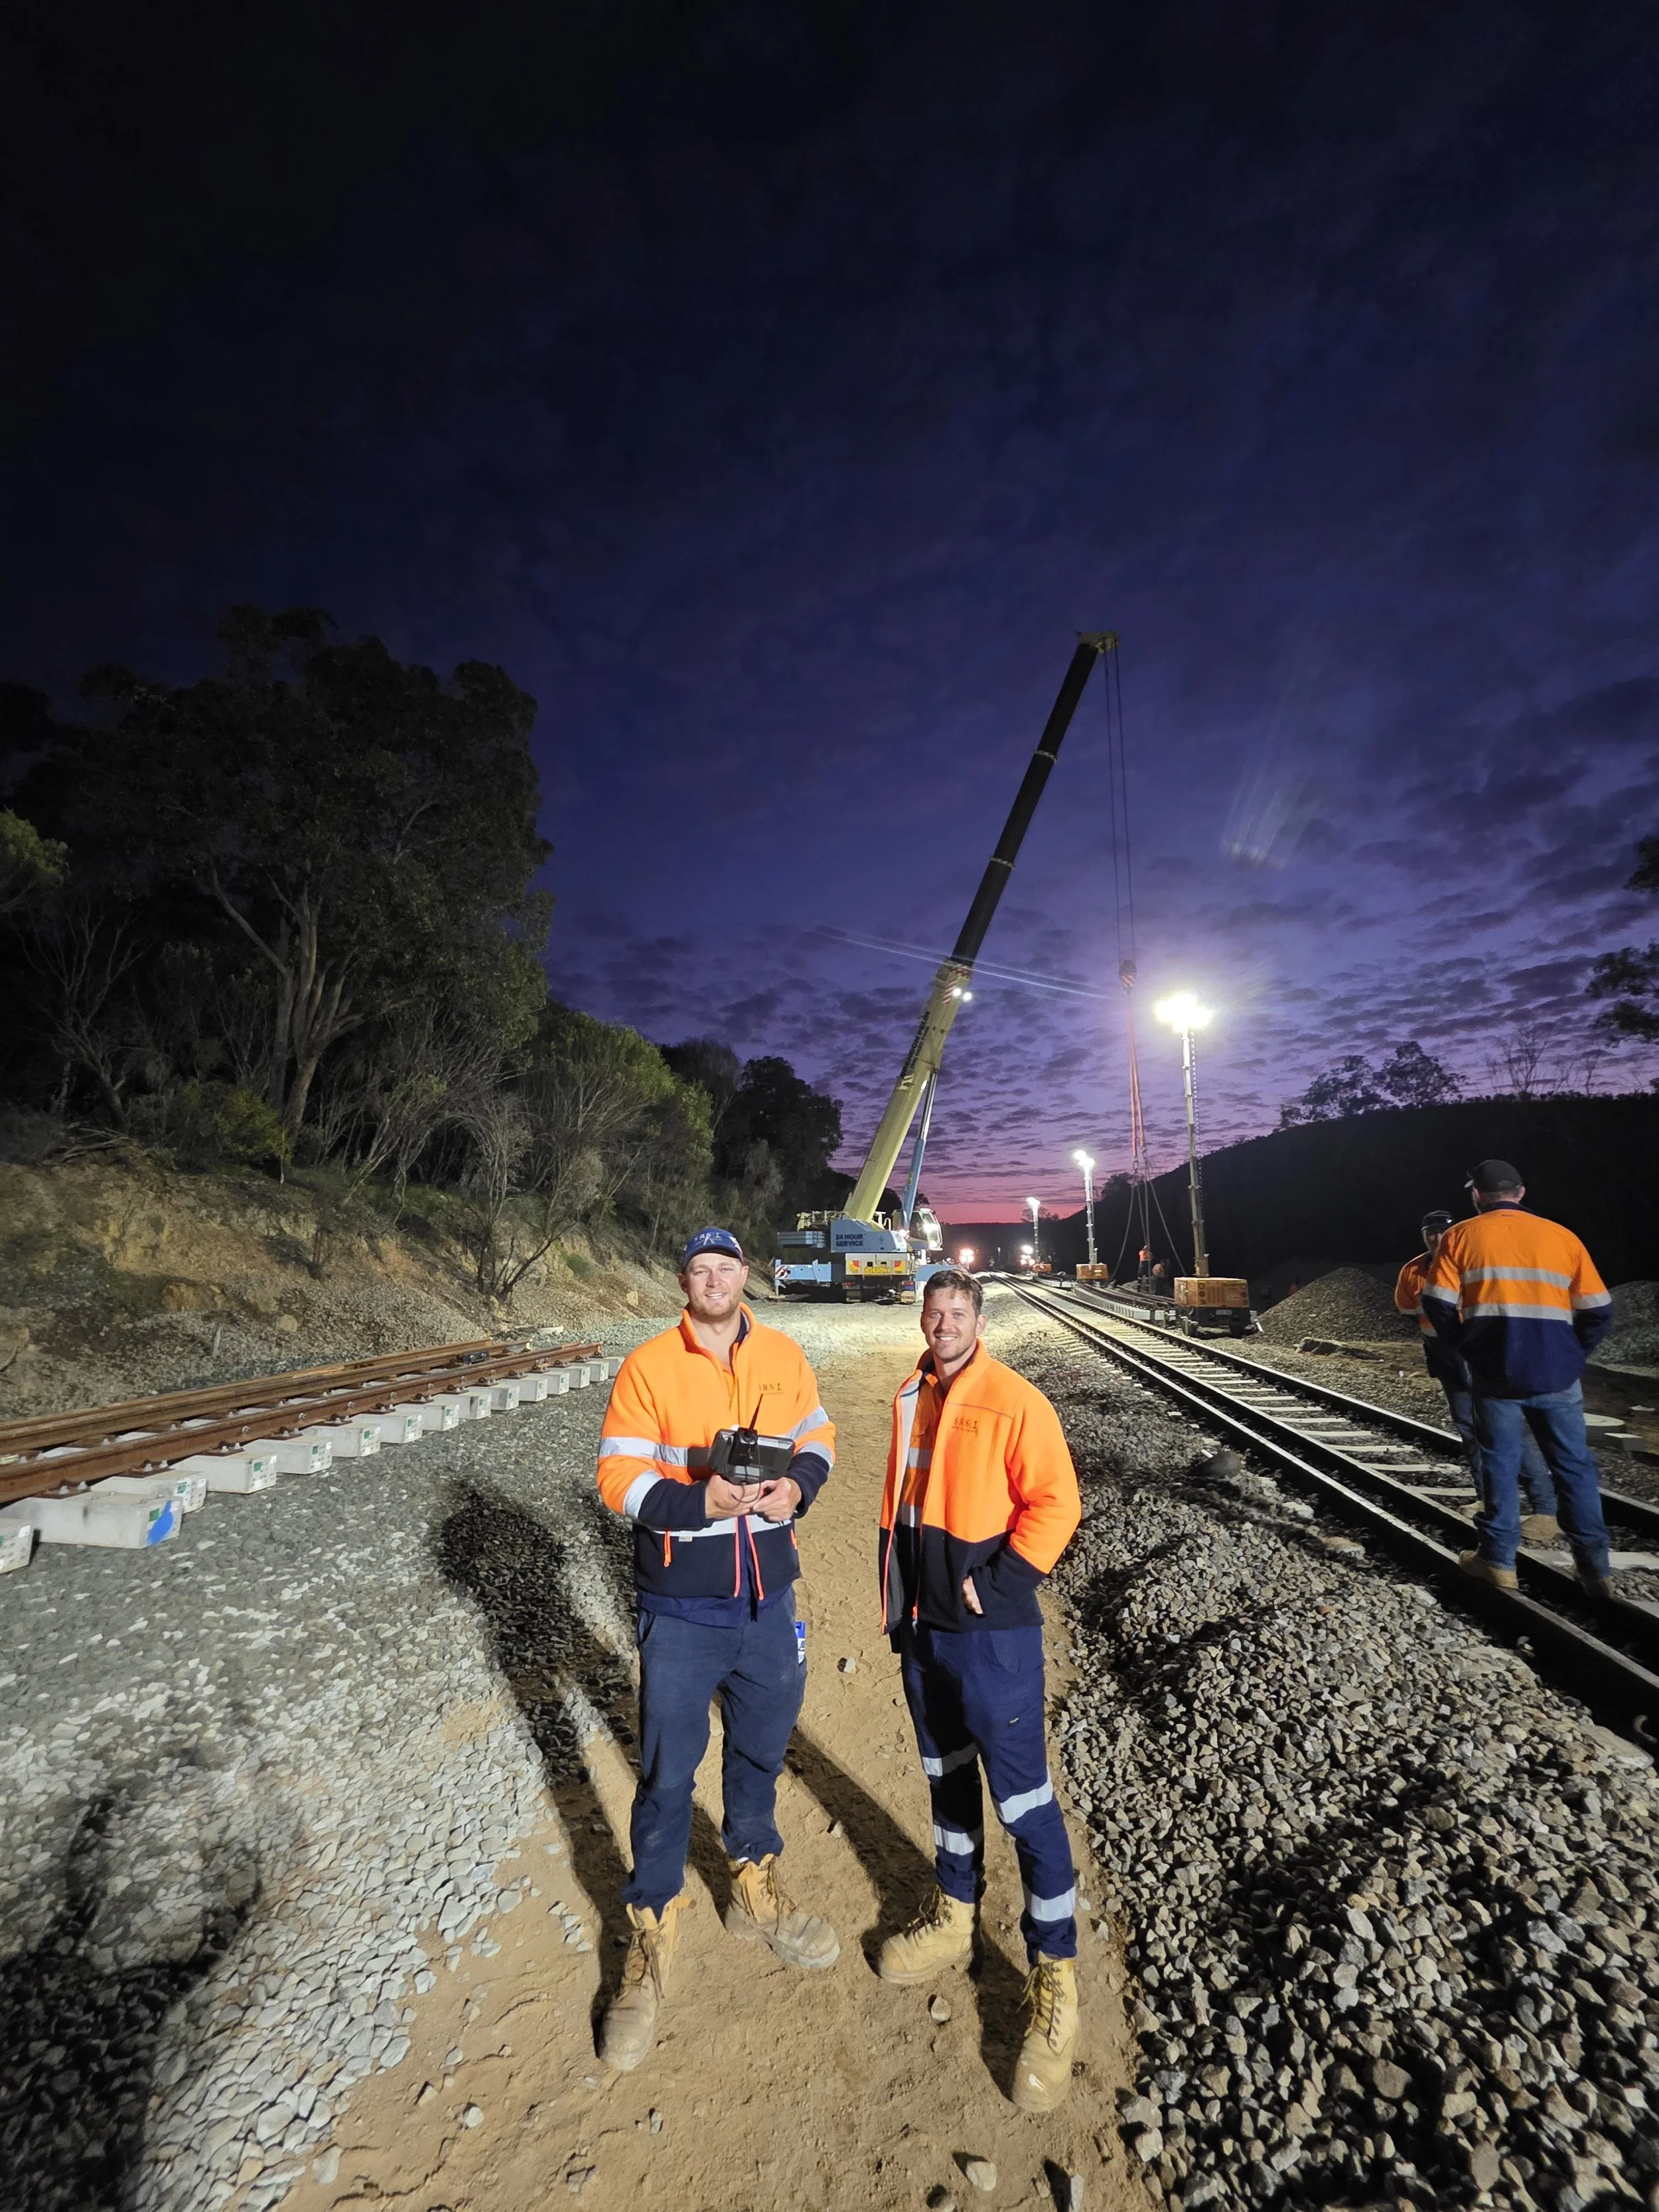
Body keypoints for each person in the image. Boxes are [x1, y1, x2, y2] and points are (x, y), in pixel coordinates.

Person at [594, 1226, 839, 2071]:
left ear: (744, 1277)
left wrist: (793, 1488)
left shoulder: (782, 1354)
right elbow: (617, 1478)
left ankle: (752, 1881)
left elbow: (819, 1438)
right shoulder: (649, 1367)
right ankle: (651, 1930)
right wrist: (697, 1502)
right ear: (685, 1282)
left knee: (761, 1751)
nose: (712, 1281)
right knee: (665, 1774)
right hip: (683, 1605)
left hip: (768, 1597)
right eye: (698, 1270)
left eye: (724, 1268)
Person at [875, 1266, 1084, 2111]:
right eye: (934, 1312)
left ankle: (1056, 1980)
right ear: (923, 1320)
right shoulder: (910, 1395)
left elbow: (1056, 1503)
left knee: (1025, 1803)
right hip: (923, 1632)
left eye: (957, 1312)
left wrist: (994, 1586)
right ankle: (954, 1915)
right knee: (946, 1780)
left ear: (978, 1319)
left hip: (990, 1638)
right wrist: (901, 1604)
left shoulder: (1016, 1399)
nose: (944, 1324)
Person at [1421, 1161, 1615, 1598]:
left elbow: (1435, 1303)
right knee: (1574, 1467)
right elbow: (1600, 1311)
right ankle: (1595, 1569)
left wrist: (1463, 1345)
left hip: (1495, 1372)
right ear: (1521, 1192)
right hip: (1559, 1375)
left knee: (1500, 1463)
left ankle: (1498, 1561)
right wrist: (1571, 1353)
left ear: (1477, 1196)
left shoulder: (1460, 1236)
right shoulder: (1563, 1236)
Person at [1395, 1207, 1559, 1540]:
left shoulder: (1472, 1263)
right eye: (1431, 1232)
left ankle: (1544, 1510)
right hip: (1447, 1360)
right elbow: (1408, 1308)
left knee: (1509, 1428)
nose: (1437, 1238)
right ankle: (1489, 1499)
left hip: (1482, 1356)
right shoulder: (1414, 1270)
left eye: (1443, 1231)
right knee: (1470, 1428)